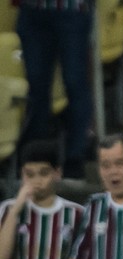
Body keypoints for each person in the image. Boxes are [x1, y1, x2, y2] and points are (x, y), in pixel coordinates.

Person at [0, 141, 85, 259]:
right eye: (29, 175)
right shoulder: (8, 210)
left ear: (57, 173)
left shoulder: (76, 214)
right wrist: (16, 210)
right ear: (21, 175)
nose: (36, 181)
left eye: (43, 173)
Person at [16, 0, 93, 181]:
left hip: (72, 9)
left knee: (75, 82)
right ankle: (37, 157)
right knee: (35, 86)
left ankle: (75, 157)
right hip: (33, 10)